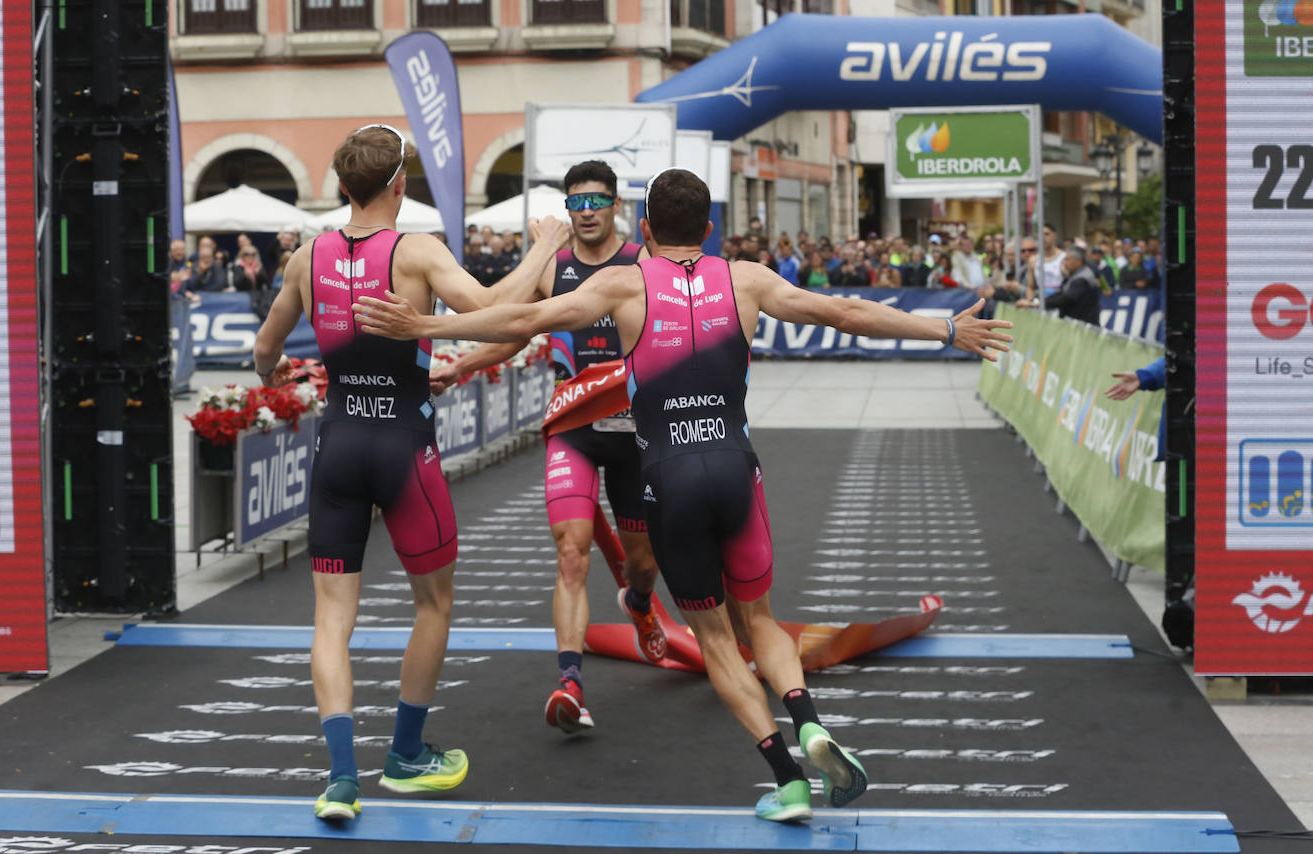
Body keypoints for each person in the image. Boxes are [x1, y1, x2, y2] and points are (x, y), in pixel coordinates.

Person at [354, 167, 1012, 822]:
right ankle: (808, 720)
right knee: (760, 620)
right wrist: (946, 332)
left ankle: (786, 780)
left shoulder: (623, 282)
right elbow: (845, 312)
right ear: (710, 228)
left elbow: (525, 316)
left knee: (716, 640)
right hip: (736, 469)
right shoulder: (745, 278)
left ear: (643, 229)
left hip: (667, 476)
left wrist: (421, 330)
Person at [251, 122, 572, 822]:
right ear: (401, 184)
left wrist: (271, 366)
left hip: (337, 446)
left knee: (331, 620)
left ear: (342, 185)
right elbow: (493, 312)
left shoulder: (308, 256)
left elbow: (266, 346)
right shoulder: (417, 251)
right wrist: (544, 247)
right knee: (434, 603)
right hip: (402, 448)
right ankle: (404, 755)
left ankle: (340, 780)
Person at [418, 160, 667, 737]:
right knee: (572, 554)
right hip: (572, 429)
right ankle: (571, 684)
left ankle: (639, 603)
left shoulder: (644, 265)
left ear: (615, 205)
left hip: (636, 438)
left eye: (595, 203)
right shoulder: (552, 267)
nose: (585, 214)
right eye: (575, 204)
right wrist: (462, 368)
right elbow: (514, 330)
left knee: (643, 564)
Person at [1018, 245, 1101, 325]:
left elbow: (1065, 298)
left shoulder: (1082, 278)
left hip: (1084, 329)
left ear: (1078, 261)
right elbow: (1061, 293)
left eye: (1067, 259)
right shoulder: (1074, 275)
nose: (1064, 262)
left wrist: (1038, 304)